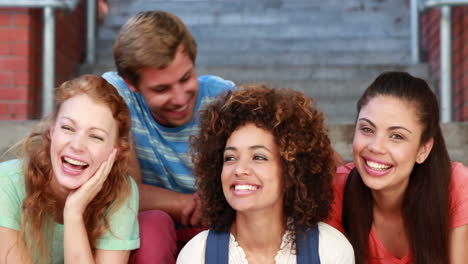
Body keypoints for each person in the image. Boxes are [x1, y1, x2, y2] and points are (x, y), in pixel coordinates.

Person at [102, 10, 235, 263]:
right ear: (131, 83)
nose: (180, 98)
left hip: (217, 227)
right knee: (153, 225)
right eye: (161, 88)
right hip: (148, 234)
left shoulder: (223, 98)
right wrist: (188, 203)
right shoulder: (117, 97)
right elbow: (124, 191)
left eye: (186, 78)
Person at [177, 84, 355, 263]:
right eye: (230, 158)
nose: (239, 169)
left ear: (292, 170)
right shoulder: (196, 255)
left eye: (258, 157)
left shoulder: (330, 249)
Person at [328, 71, 468, 264]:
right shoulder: (337, 189)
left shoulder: (455, 185)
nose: (376, 147)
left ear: (423, 149)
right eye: (367, 129)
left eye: (397, 136)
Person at [0, 75, 139, 263]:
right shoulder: (6, 183)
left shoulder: (122, 192)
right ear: (52, 131)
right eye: (68, 128)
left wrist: (73, 213)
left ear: (116, 151)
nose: (77, 145)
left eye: (96, 137)